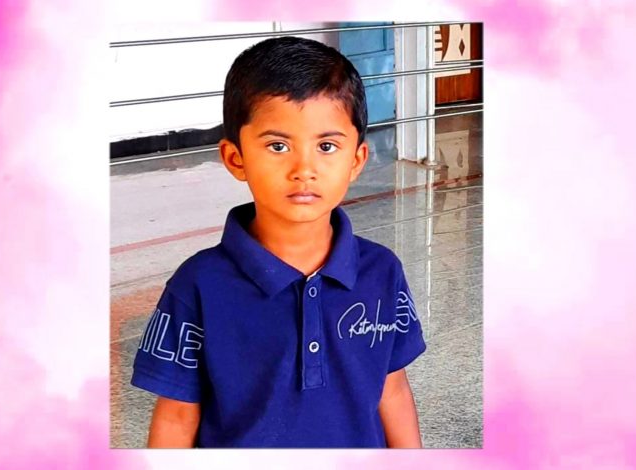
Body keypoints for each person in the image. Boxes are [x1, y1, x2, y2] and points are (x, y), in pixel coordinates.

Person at [131, 35, 426, 448]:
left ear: (357, 160)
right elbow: (178, 416)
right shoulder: (198, 285)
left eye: (326, 146)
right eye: (277, 145)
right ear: (235, 158)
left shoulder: (382, 272)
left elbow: (391, 390)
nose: (304, 168)